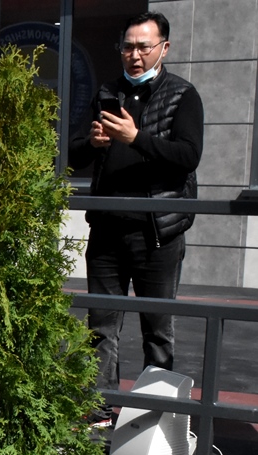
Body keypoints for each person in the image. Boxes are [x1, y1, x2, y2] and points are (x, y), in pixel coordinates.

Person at [69, 11, 203, 428]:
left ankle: (154, 416)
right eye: (127, 46)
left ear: (164, 47)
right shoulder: (109, 92)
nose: (134, 55)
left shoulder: (183, 95)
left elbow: (188, 155)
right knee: (101, 326)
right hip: (107, 230)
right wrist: (92, 143)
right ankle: (99, 410)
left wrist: (137, 139)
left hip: (157, 231)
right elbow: (73, 153)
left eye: (144, 46)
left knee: (157, 329)